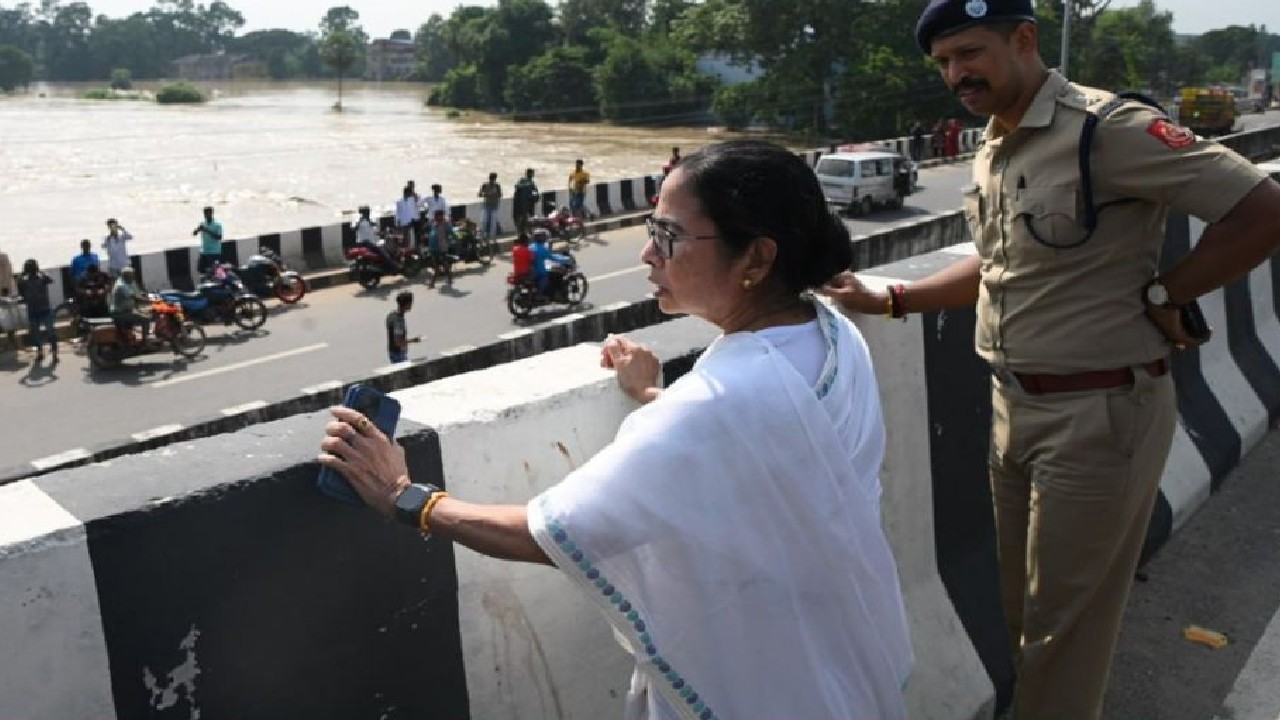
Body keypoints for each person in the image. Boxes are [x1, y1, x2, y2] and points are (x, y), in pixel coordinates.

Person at [317, 140, 914, 720]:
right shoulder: (832, 335)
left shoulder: (718, 404)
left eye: (669, 237)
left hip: (757, 679)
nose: (648, 256)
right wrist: (655, 396)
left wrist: (404, 496)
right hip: (838, 656)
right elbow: (764, 447)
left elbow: (552, 531)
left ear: (756, 258)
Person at [824, 3, 1280, 718]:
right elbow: (1003, 263)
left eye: (969, 54)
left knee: (1063, 631)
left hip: (1100, 414)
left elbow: (1263, 209)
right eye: (943, 62)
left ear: (1025, 40)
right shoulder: (997, 142)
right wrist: (893, 300)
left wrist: (1169, 290)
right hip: (1014, 410)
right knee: (1025, 617)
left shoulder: (1109, 130)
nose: (955, 75)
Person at [16, 259, 56, 362]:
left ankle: (55, 353)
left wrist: (41, 272)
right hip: (33, 309)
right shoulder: (24, 280)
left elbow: (51, 280)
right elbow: (20, 287)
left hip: (45, 308)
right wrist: (23, 273)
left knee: (50, 331)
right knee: (35, 333)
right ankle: (40, 352)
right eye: (29, 267)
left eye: (32, 267)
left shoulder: (42, 278)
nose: (31, 269)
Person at [110, 266, 151, 345]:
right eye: (132, 275)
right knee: (146, 318)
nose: (133, 276)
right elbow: (134, 297)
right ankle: (144, 341)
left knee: (144, 313)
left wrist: (147, 295)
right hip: (120, 313)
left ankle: (131, 339)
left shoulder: (130, 282)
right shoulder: (121, 285)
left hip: (128, 310)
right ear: (125, 275)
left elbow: (138, 293)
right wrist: (148, 301)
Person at [353, 205, 398, 270]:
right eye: (367, 212)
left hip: (366, 243)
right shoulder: (360, 221)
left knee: (381, 251)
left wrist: (383, 233)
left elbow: (375, 232)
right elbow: (354, 229)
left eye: (368, 212)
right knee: (383, 253)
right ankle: (393, 266)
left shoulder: (369, 221)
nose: (368, 213)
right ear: (364, 213)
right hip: (366, 244)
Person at [529, 228, 570, 296]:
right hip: (539, 271)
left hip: (531, 269)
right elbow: (552, 257)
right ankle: (541, 294)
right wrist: (566, 259)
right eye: (543, 236)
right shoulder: (541, 249)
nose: (544, 238)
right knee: (549, 277)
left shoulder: (531, 246)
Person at [384, 291, 421, 364]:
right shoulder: (399, 320)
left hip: (392, 352)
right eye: (411, 303)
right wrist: (413, 340)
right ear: (407, 304)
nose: (411, 305)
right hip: (398, 354)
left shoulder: (391, 315)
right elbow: (398, 342)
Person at [192, 207, 223, 276]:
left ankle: (222, 282)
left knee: (217, 271)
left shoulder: (217, 225)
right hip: (204, 251)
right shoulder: (202, 223)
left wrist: (207, 230)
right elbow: (194, 233)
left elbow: (219, 237)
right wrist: (197, 230)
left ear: (212, 213)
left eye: (208, 213)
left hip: (214, 252)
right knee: (201, 270)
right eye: (205, 213)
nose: (206, 215)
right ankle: (208, 281)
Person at [513, 168, 540, 237]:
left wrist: (535, 197)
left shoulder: (532, 183)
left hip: (528, 206)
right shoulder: (522, 180)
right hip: (521, 206)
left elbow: (535, 193)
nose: (531, 175)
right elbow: (517, 186)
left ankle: (528, 233)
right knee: (521, 221)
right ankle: (522, 234)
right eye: (531, 173)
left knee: (528, 220)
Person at [477, 172, 503, 239]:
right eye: (491, 178)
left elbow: (500, 195)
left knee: (493, 223)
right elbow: (479, 194)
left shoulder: (497, 186)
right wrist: (486, 194)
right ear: (489, 178)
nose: (492, 180)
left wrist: (494, 194)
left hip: (494, 206)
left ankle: (492, 236)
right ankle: (484, 235)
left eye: (493, 179)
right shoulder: (485, 185)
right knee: (485, 221)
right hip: (486, 206)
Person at [0, 244, 16, 352]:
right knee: (9, 318)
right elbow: (9, 273)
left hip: (5, 292)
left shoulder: (3, 258)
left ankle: (10, 343)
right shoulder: (4, 256)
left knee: (8, 318)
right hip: (7, 292)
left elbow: (7, 274)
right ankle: (11, 343)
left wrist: (5, 289)